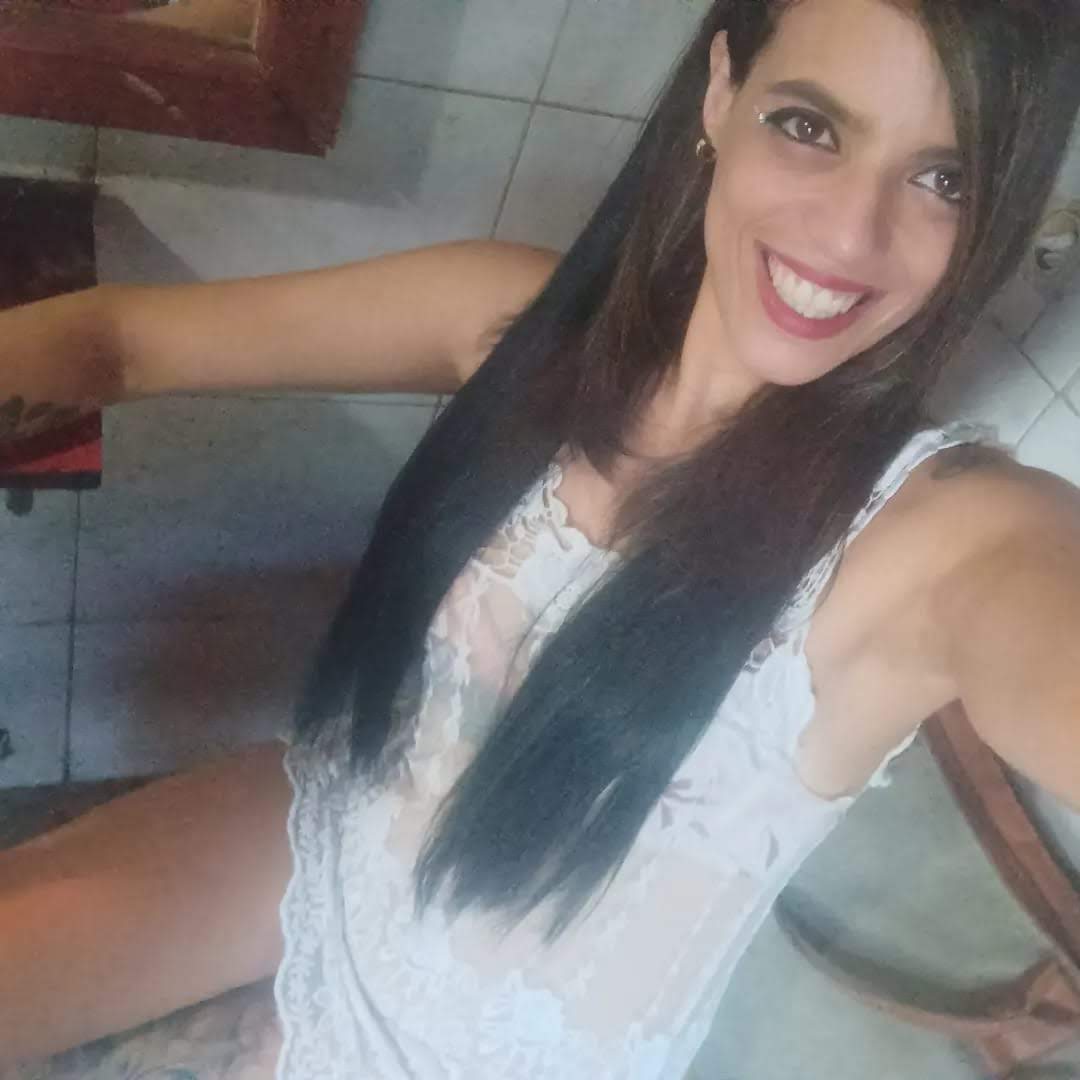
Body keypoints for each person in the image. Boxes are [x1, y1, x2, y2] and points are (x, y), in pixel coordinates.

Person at [2, 0, 1080, 1076]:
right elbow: (119, 339)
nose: (851, 234)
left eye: (944, 180)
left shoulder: (944, 538)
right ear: (721, 93)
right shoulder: (524, 325)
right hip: (340, 833)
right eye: (810, 126)